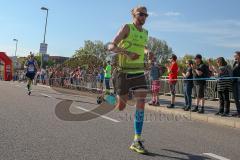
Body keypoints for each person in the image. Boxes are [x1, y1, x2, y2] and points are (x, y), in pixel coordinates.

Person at [108, 6, 151, 154]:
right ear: (134, 14)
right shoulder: (127, 28)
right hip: (123, 72)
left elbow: (143, 47)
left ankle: (136, 139)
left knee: (141, 101)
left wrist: (148, 52)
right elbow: (110, 46)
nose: (144, 17)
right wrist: (127, 53)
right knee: (121, 107)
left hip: (138, 72)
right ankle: (113, 97)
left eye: (146, 15)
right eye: (141, 14)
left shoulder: (145, 33)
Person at [232, 51, 240, 117]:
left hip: (239, 82)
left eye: (235, 55)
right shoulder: (235, 62)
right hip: (234, 82)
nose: (234, 56)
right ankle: (238, 112)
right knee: (236, 98)